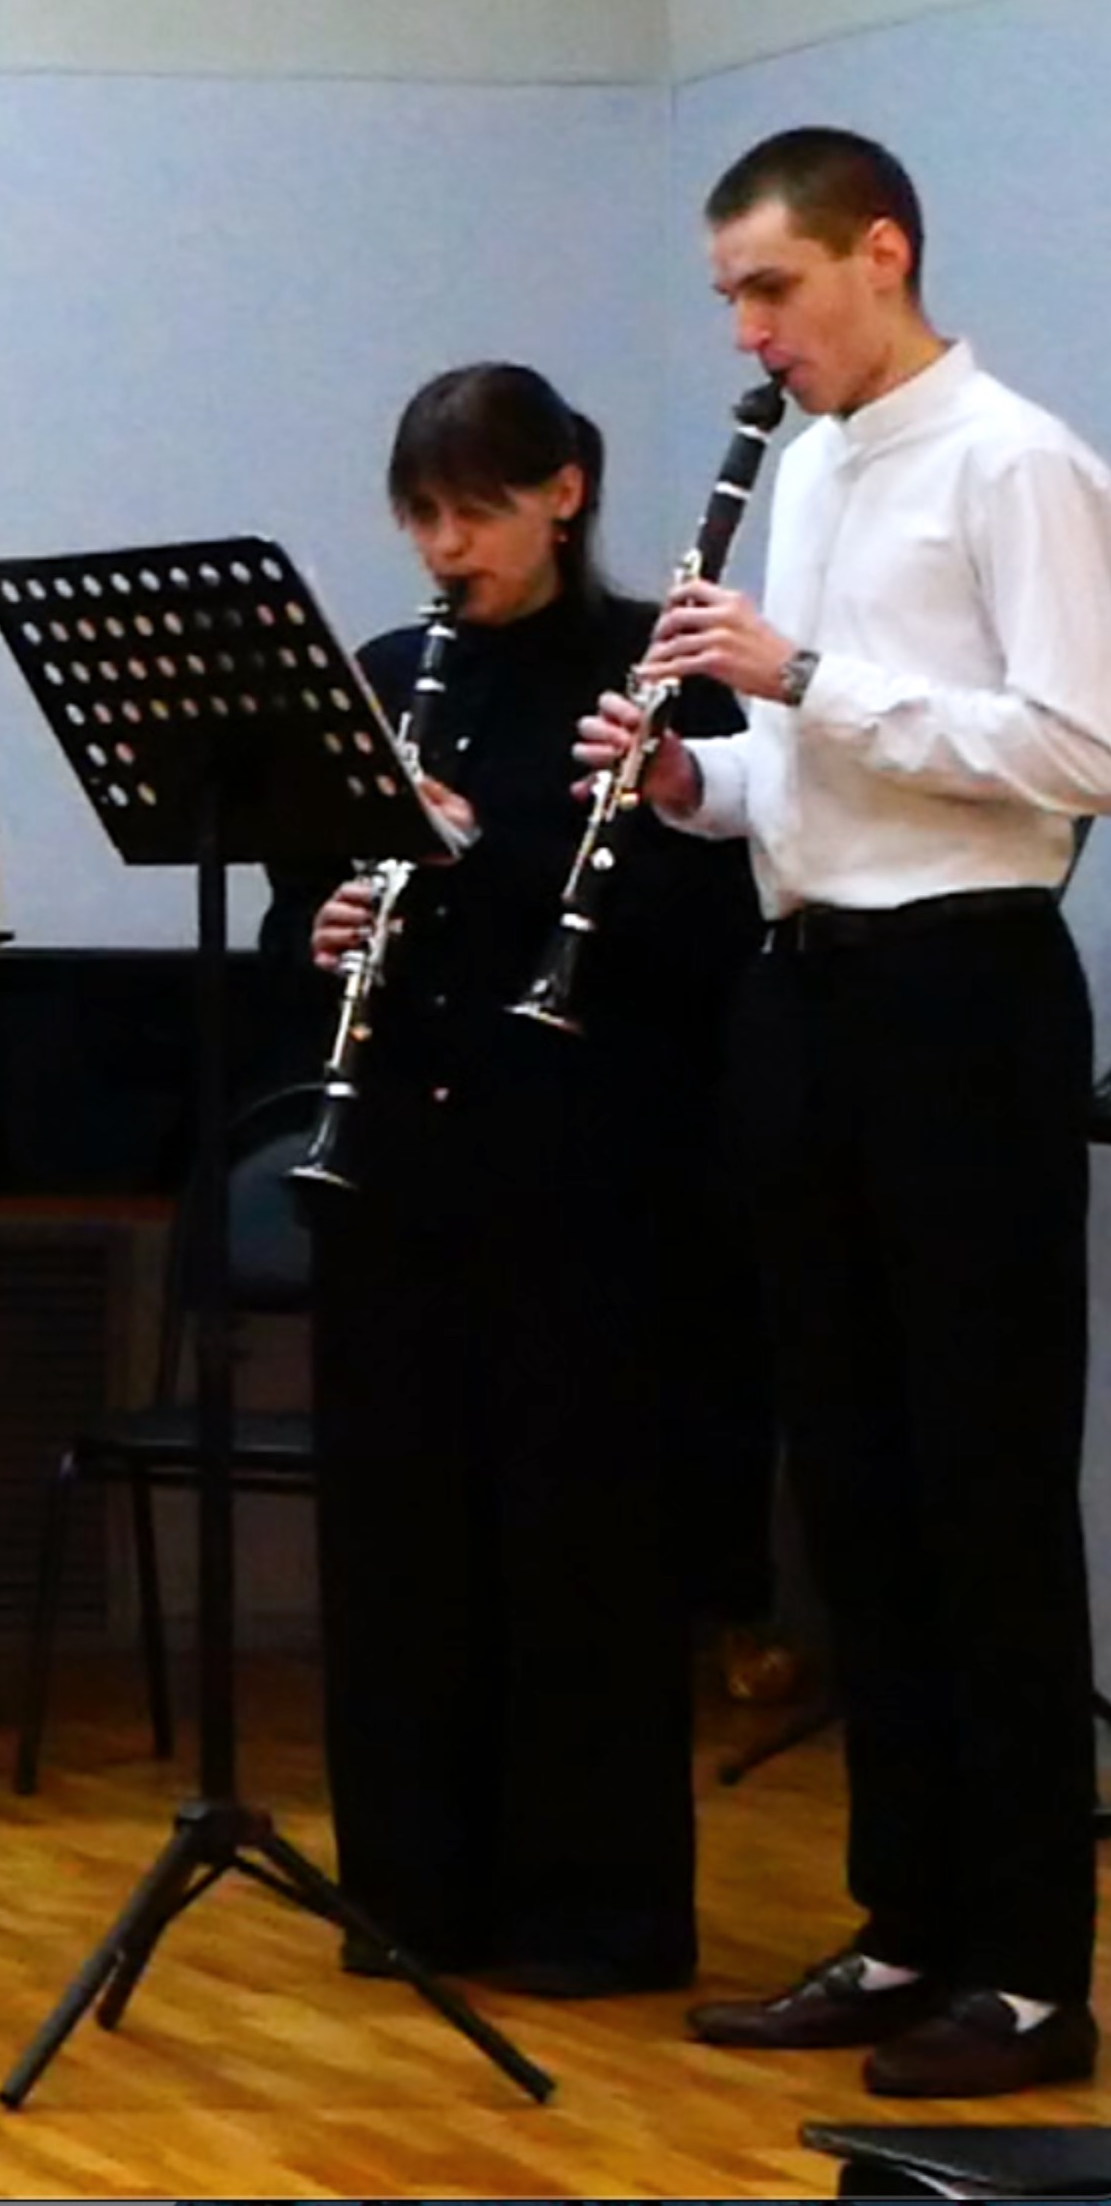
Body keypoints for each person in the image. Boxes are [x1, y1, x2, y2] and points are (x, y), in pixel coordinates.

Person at [611, 128, 1111, 2100]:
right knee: (854, 1488)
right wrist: (697, 782)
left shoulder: (1017, 461)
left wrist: (805, 675)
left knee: (982, 1485)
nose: (751, 334)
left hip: (962, 1000)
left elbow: (1085, 752)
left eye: (774, 288)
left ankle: (1033, 1974)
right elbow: (807, 773)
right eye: (731, 298)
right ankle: (910, 1924)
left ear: (882, 253)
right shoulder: (817, 466)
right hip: (809, 989)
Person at [270, 363, 754, 1997]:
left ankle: (594, 1908)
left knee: (578, 1535)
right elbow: (295, 908)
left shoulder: (662, 677)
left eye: (473, 509)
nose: (444, 545)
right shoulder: (387, 675)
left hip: (591, 1161)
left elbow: (717, 929)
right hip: (401, 1158)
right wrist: (327, 922)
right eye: (421, 513)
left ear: (563, 491)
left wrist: (494, 851)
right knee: (402, 1533)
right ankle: (416, 1887)